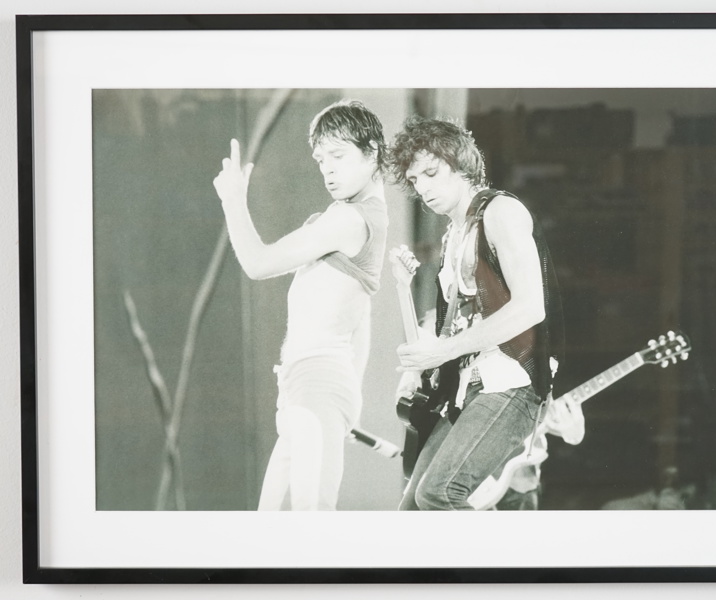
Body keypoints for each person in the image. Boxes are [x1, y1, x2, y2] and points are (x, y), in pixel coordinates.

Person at [389, 115, 583, 511]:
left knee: (439, 494)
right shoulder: (454, 233)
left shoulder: (500, 212)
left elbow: (530, 306)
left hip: (512, 381)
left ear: (461, 165)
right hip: (469, 388)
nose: (423, 187)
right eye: (414, 180)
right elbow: (459, 325)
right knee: (412, 508)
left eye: (431, 172)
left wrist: (441, 352)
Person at [212, 99, 388, 510]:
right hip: (306, 389)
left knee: (304, 541)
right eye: (320, 158)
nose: (326, 167)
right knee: (273, 536)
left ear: (373, 152)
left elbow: (257, 263)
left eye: (338, 156)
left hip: (317, 388)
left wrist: (233, 200)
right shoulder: (353, 219)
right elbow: (360, 318)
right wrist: (353, 401)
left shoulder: (349, 221)